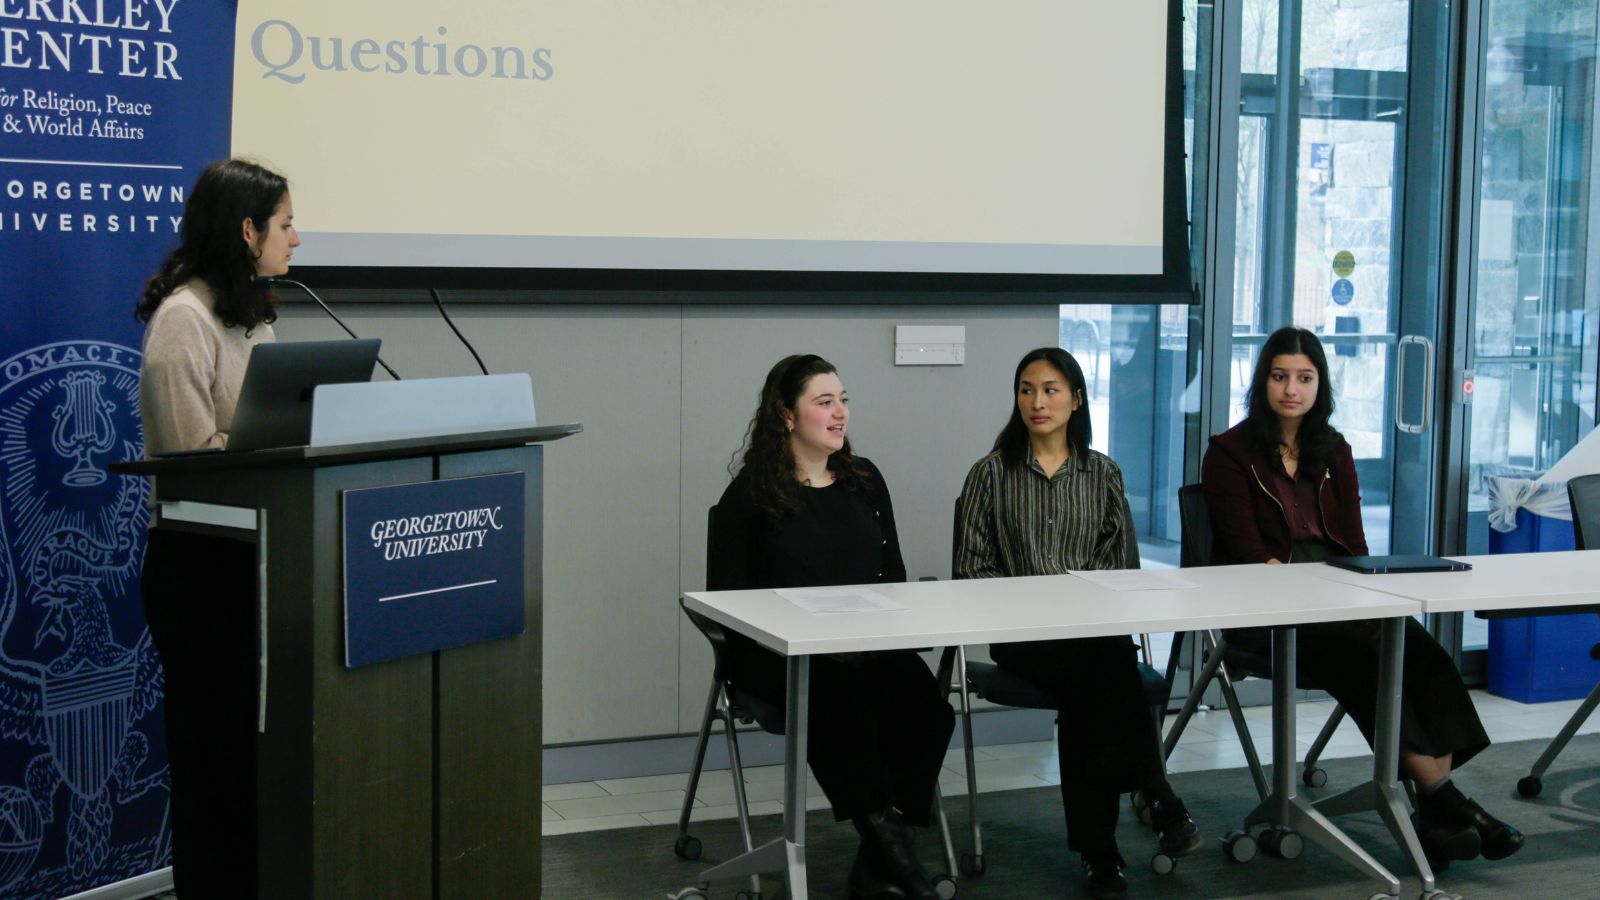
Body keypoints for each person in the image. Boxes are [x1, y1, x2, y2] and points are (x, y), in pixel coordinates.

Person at [1201, 325, 1524, 871]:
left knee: (1421, 654)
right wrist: (1326, 599)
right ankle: (1448, 802)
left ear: (1320, 385)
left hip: (1340, 599)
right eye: (1279, 376)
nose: (1291, 389)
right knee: (1364, 659)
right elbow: (1248, 556)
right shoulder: (1229, 453)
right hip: (1265, 611)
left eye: (1304, 378)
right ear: (1262, 382)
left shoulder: (1334, 450)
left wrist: (1367, 598)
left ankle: (1434, 814)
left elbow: (1354, 546)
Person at [954, 347, 1202, 900]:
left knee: (1093, 684)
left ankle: (1102, 858)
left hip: (1091, 635)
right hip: (1023, 636)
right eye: (1026, 390)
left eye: (1050, 390)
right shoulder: (989, 475)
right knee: (1107, 669)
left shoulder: (1102, 473)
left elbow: (1121, 570)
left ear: (1077, 399)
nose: (1036, 402)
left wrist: (1081, 608)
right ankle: (1157, 793)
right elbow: (971, 572)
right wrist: (1037, 605)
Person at [708, 354, 955, 900]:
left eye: (843, 400)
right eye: (824, 402)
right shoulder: (749, 497)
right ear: (787, 415)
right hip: (780, 657)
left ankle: (880, 856)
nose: (840, 412)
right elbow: (728, 604)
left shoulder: (864, 480)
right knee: (840, 701)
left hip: (865, 643)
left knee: (926, 707)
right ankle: (900, 860)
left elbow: (892, 573)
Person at [135, 158, 299, 897]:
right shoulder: (183, 322)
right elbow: (191, 464)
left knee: (252, 762)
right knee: (213, 761)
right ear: (247, 230)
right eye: (286, 224)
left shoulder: (251, 317)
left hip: (259, 559)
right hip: (200, 567)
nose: (297, 238)